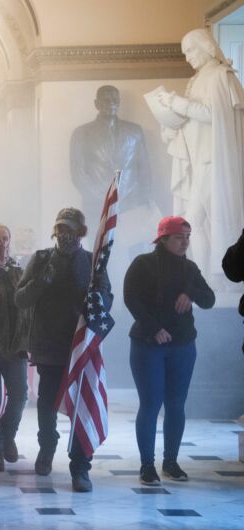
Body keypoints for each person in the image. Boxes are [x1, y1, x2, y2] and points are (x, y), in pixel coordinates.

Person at [15, 207, 112, 493]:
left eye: (70, 230)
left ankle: (80, 467)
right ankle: (47, 446)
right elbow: (20, 299)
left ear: (80, 232)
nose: (64, 235)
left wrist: (97, 297)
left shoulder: (92, 261)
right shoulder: (41, 259)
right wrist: (42, 280)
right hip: (49, 346)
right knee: (46, 405)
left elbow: (107, 300)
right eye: (60, 229)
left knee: (82, 406)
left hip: (80, 348)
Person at [124, 217, 215, 485]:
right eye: (178, 237)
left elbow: (209, 300)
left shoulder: (190, 268)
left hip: (183, 346)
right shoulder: (143, 263)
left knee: (176, 404)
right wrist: (154, 328)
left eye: (188, 236)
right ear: (163, 239)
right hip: (148, 344)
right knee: (151, 404)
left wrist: (190, 292)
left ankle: (171, 462)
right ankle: (147, 465)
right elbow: (131, 299)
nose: (185, 242)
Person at [156, 28, 244, 282]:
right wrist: (170, 120)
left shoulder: (219, 75)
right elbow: (195, 118)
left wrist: (177, 103)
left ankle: (217, 275)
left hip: (214, 161)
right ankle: (207, 275)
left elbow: (212, 114)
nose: (187, 57)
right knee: (194, 221)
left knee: (206, 219)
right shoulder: (198, 78)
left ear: (206, 47)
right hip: (200, 161)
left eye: (190, 51)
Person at [0, 223, 30, 473]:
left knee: (20, 395)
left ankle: (7, 435)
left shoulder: (19, 270)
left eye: (5, 238)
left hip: (16, 346)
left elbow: (27, 304)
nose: (1, 243)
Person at [70, 85, 151, 221]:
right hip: (96, 206)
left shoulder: (135, 131)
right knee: (97, 236)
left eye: (115, 99)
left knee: (131, 235)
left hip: (130, 203)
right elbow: (77, 172)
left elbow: (144, 168)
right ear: (96, 104)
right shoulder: (81, 133)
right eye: (106, 99)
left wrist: (143, 197)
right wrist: (98, 196)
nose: (112, 103)